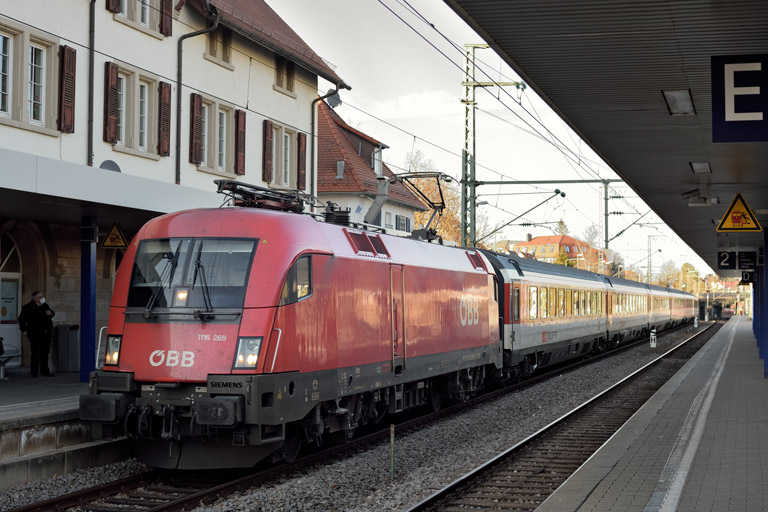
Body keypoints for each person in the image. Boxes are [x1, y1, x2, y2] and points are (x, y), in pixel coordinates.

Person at [18, 291, 55, 377]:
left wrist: (51, 313)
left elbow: (51, 313)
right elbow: (21, 319)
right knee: (36, 352)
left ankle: (45, 371)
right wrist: (24, 330)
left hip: (46, 333)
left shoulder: (44, 305)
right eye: (40, 296)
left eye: (42, 296)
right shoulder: (27, 307)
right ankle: (34, 372)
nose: (42, 298)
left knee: (45, 352)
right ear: (35, 299)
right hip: (35, 334)